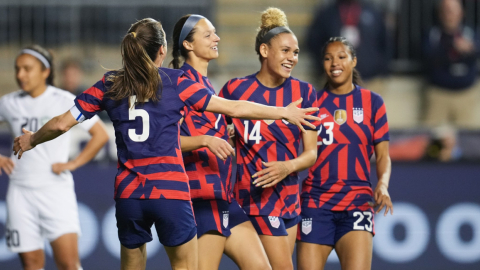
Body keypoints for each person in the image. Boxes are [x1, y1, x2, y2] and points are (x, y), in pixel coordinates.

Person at [12, 18, 320, 270]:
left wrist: (32, 139)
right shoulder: (176, 82)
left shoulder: (108, 84)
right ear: (162, 51)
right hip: (171, 191)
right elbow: (235, 108)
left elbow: (61, 123)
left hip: (130, 193)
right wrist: (284, 113)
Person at [219, 8, 319, 270]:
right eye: (285, 51)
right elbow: (217, 134)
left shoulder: (304, 92)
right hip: (255, 199)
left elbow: (311, 153)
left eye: (295, 52)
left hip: (289, 197)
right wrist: (228, 137)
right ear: (264, 51)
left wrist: (287, 166)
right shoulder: (235, 89)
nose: (292, 58)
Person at [170, 14, 271, 270]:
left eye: (215, 32)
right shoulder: (178, 84)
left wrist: (224, 134)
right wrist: (205, 140)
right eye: (208, 34)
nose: (217, 38)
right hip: (200, 199)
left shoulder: (206, 84)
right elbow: (166, 142)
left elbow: (204, 130)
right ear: (188, 45)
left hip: (223, 198)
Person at [0, 45, 108, 270]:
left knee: (68, 264)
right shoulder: (8, 102)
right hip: (19, 192)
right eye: (17, 69)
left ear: (45, 71)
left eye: (27, 69)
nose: (20, 75)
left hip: (55, 192)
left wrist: (74, 163)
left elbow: (100, 135)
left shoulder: (64, 100)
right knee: (31, 266)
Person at [296, 37, 393, 270]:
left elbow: (383, 156)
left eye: (341, 57)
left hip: (357, 203)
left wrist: (382, 184)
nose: (334, 63)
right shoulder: (312, 103)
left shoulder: (373, 102)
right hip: (316, 202)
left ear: (354, 60)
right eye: (328, 58)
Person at [306, 0, 389, 95]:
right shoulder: (327, 13)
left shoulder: (373, 12)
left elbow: (385, 42)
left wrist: (382, 71)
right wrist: (323, 67)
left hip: (370, 80)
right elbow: (313, 42)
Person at [423, 0, 480, 128]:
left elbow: (476, 53)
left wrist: (470, 49)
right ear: (440, 13)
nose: (450, 14)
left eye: (454, 10)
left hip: (465, 94)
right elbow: (428, 57)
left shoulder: (470, 33)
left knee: (467, 139)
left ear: (461, 13)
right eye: (447, 10)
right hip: (439, 94)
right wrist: (451, 47)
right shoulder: (433, 35)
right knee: (433, 138)